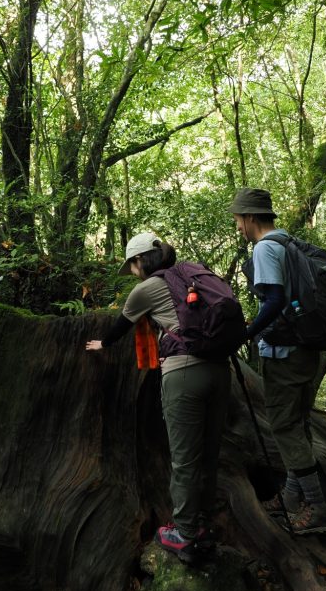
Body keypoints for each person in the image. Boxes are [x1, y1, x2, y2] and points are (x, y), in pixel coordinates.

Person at [85, 232, 231, 563]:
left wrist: (102, 344)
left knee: (184, 458)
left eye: (132, 265)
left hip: (183, 373)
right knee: (208, 454)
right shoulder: (191, 276)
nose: (132, 272)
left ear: (140, 261)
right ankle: (203, 526)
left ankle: (185, 534)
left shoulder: (147, 289)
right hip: (220, 371)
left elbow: (122, 324)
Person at [230, 187, 326, 535]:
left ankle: (319, 509)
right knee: (296, 422)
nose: (237, 227)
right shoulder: (290, 242)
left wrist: (248, 332)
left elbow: (273, 300)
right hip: (305, 349)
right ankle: (292, 497)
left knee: (284, 426)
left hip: (285, 353)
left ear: (249, 218)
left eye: (237, 220)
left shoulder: (264, 248)